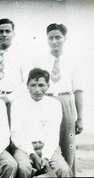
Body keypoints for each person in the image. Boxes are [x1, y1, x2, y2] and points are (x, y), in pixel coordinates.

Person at [33, 23, 84, 176]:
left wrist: (80, 118)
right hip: (46, 102)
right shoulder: (40, 61)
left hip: (66, 102)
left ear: (65, 38)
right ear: (47, 39)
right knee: (46, 142)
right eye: (51, 38)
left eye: (58, 37)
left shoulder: (73, 60)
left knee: (67, 145)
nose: (54, 41)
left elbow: (78, 90)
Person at [11, 68, 72, 177]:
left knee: (63, 169)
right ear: (27, 85)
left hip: (48, 147)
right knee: (24, 167)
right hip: (24, 148)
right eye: (33, 85)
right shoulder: (18, 103)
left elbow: (53, 135)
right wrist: (32, 154)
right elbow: (17, 134)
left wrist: (46, 157)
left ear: (48, 86)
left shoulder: (55, 104)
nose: (37, 89)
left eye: (41, 85)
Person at [0, 18, 29, 125]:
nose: (4, 34)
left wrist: (8, 98)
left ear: (13, 33)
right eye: (0, 31)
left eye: (7, 31)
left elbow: (27, 83)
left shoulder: (23, 55)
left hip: (12, 101)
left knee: (11, 135)